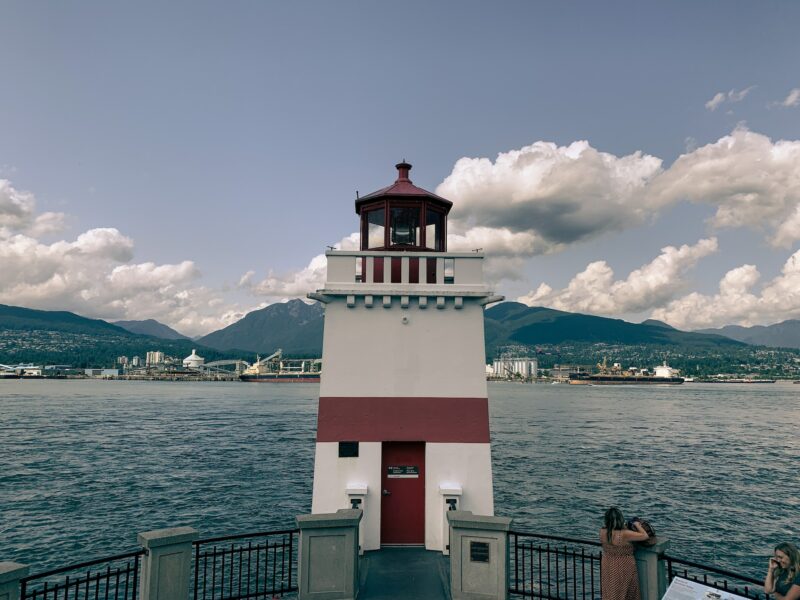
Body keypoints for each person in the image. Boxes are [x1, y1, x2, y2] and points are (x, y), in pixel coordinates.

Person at [599, 507, 650, 600]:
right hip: (623, 565)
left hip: (607, 563)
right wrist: (637, 525)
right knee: (627, 593)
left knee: (610, 591)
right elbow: (645, 536)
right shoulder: (624, 534)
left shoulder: (602, 531)